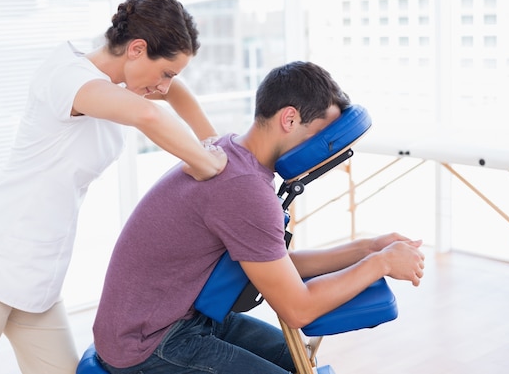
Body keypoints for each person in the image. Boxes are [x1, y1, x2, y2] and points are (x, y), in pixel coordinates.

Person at [0, 0, 227, 374]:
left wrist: (215, 145)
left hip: (35, 276)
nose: (166, 86)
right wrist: (209, 167)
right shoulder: (71, 79)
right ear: (136, 48)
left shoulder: (112, 79)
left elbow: (172, 95)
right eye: (166, 73)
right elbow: (149, 116)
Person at [92, 61, 426, 374]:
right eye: (322, 137)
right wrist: (380, 264)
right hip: (147, 342)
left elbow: (276, 263)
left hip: (181, 316)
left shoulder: (233, 154)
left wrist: (368, 248)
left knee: (296, 362)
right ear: (290, 119)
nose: (324, 152)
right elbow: (298, 309)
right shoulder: (244, 190)